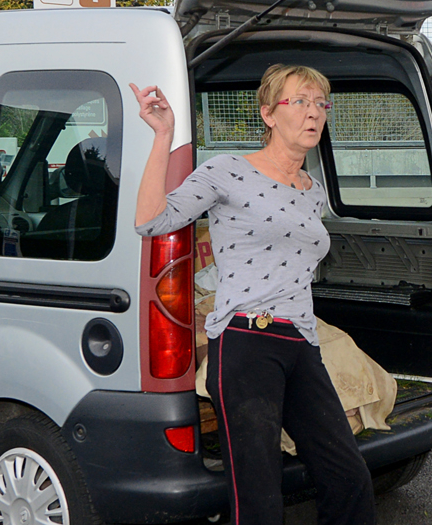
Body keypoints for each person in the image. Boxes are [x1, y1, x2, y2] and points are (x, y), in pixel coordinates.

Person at [133, 64, 376, 525]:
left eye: (320, 103)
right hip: (247, 342)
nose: (313, 113)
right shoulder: (228, 171)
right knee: (259, 496)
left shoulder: (313, 191)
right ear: (268, 113)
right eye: (299, 101)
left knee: (348, 478)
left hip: (302, 345)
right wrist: (163, 136)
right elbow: (151, 220)